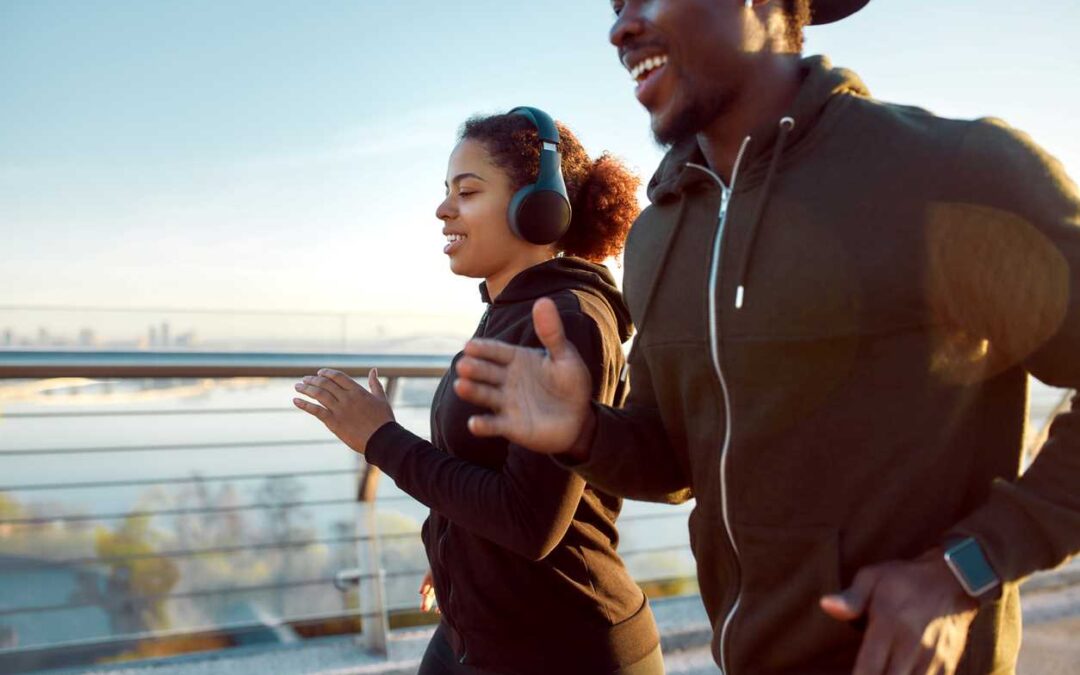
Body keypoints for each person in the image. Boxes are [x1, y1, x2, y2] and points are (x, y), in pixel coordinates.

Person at [449, 1, 1080, 674]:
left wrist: (964, 567)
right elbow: (674, 460)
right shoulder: (657, 233)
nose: (621, 27)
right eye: (615, 3)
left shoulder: (952, 171)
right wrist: (586, 433)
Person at [292, 109, 667, 675]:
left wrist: (381, 439)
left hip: (565, 650)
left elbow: (530, 523)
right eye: (447, 193)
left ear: (537, 206)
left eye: (466, 192)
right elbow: (495, 469)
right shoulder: (509, 311)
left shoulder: (564, 318)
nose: (443, 210)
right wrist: (457, 553)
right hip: (477, 629)